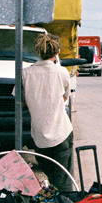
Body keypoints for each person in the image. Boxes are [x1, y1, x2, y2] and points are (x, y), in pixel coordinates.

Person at [21, 33, 75, 192]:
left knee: (50, 174)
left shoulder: (26, 73)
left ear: (38, 52)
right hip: (61, 133)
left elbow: (20, 99)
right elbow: (66, 97)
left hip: (39, 137)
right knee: (64, 181)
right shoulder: (62, 72)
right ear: (57, 52)